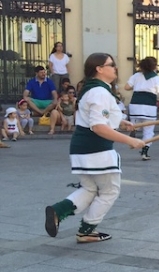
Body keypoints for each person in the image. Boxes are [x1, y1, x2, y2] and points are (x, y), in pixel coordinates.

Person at [44, 53, 145, 243]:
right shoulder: (99, 92)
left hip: (82, 147)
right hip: (96, 149)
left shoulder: (93, 89)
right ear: (99, 68)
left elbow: (93, 117)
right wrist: (130, 141)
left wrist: (119, 121)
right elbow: (98, 127)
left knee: (90, 188)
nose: (115, 67)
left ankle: (58, 211)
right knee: (109, 191)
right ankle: (87, 230)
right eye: (111, 64)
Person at [125, 56, 159, 160]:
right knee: (149, 131)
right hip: (149, 106)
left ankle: (134, 129)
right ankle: (145, 151)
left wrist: (138, 86)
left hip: (135, 104)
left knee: (135, 123)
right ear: (154, 66)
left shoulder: (136, 76)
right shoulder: (157, 78)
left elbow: (127, 87)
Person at [23, 66, 61, 134]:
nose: (44, 74)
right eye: (41, 73)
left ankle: (40, 112)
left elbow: (54, 92)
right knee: (27, 99)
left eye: (44, 72)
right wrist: (25, 96)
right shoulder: (32, 81)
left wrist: (55, 98)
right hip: (36, 101)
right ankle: (42, 112)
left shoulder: (49, 81)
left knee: (55, 102)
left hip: (47, 102)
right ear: (36, 73)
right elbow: (26, 92)